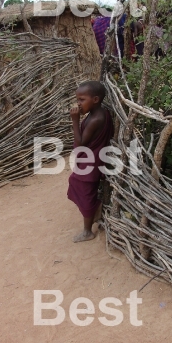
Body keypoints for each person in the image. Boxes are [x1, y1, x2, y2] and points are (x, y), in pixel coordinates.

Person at [67, 80, 114, 242]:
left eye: (81, 99)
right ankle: (95, 209)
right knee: (77, 184)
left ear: (95, 100)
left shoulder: (96, 119)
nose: (78, 104)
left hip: (91, 162)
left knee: (85, 192)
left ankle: (87, 231)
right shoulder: (97, 113)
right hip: (91, 159)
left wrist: (74, 120)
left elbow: (81, 144)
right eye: (77, 99)